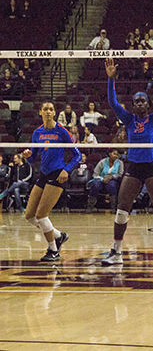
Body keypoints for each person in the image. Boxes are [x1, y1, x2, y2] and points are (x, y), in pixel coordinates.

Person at [102, 58, 153, 266]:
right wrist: (111, 80)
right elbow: (112, 103)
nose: (139, 104)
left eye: (143, 101)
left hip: (151, 168)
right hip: (133, 167)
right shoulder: (128, 120)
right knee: (121, 210)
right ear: (133, 105)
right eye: (136, 101)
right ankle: (116, 251)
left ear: (148, 104)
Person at [22, 102, 81, 261]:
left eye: (51, 109)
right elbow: (33, 158)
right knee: (29, 216)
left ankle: (53, 250)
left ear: (54, 113)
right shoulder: (37, 133)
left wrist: (66, 170)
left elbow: (77, 155)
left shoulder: (62, 131)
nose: (48, 112)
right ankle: (58, 235)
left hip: (57, 174)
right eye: (45, 109)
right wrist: (28, 156)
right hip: (43, 173)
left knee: (41, 215)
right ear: (40, 112)